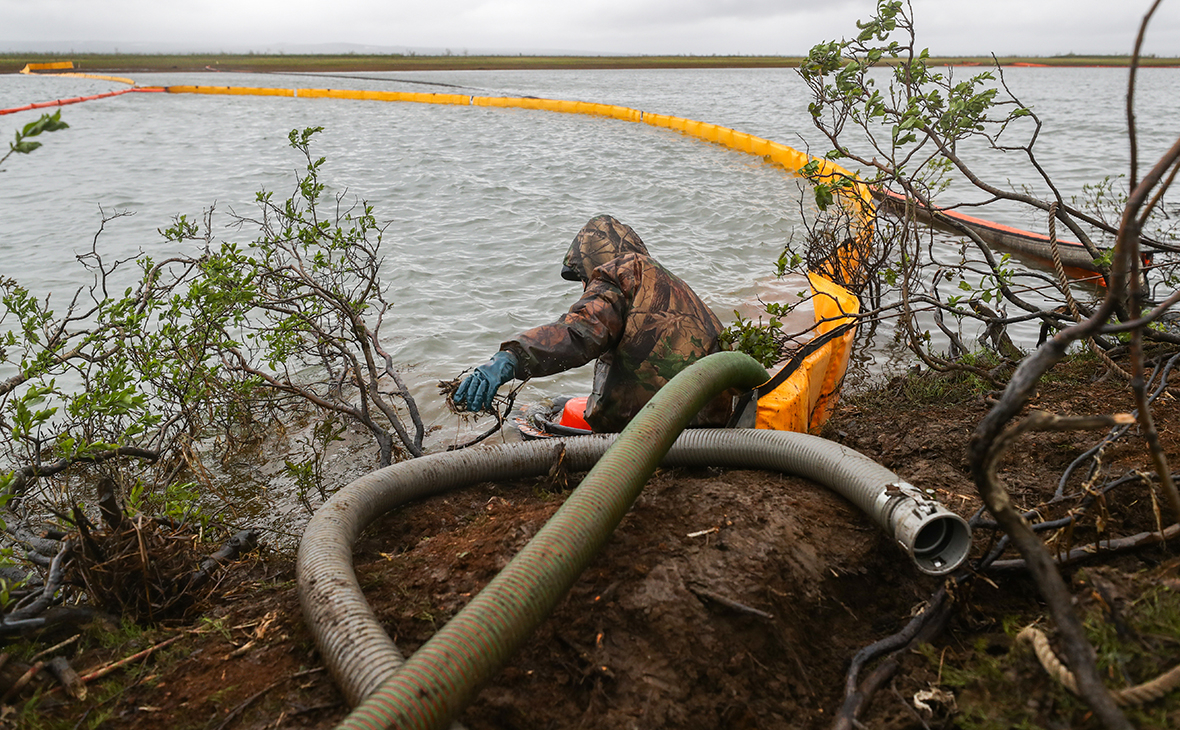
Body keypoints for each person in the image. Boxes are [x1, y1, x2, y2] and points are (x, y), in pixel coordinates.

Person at [453, 214, 732, 432]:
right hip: (711, 425)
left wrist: (510, 358)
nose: (585, 288)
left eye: (585, 279)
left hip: (658, 435)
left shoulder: (621, 276)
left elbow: (577, 334)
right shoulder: (673, 287)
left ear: (597, 264)